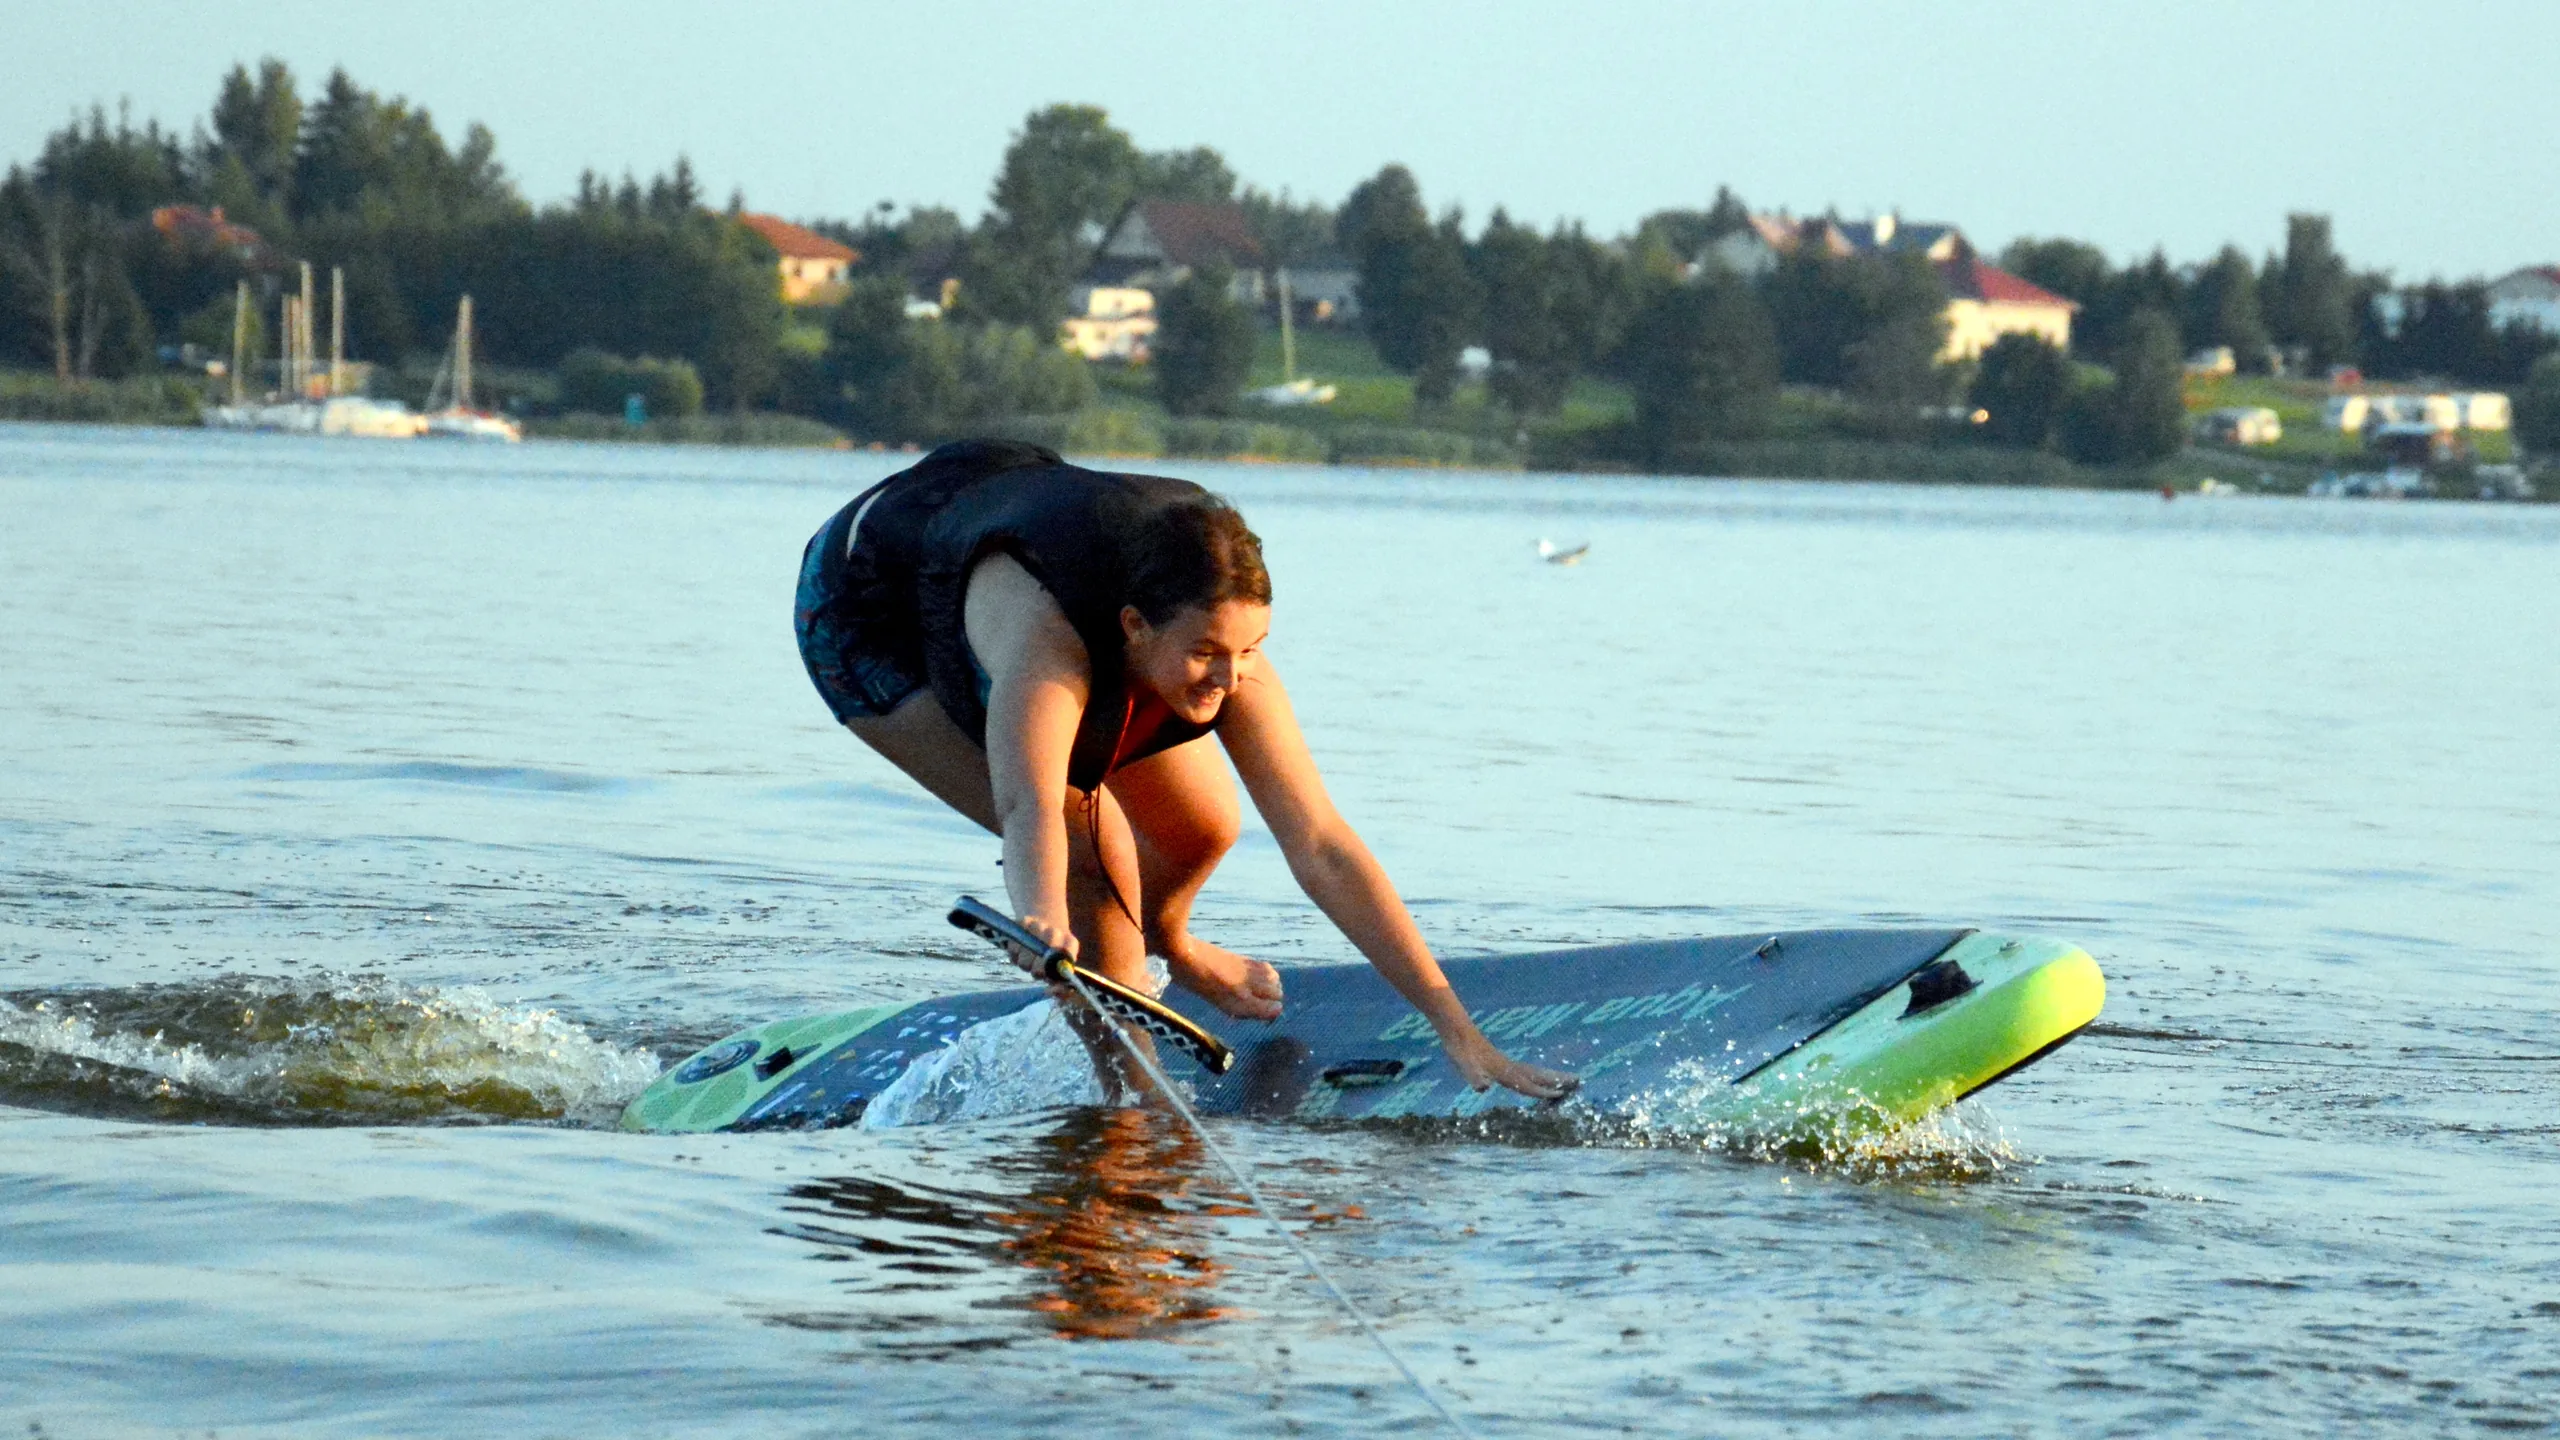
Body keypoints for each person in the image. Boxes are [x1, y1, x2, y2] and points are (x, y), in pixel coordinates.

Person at [794, 439, 1576, 1102]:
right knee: (1098, 847)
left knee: (1203, 828)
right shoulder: (1047, 650)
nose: (1230, 681)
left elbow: (1323, 845)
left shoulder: (1217, 637)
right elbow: (1029, 807)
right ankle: (1130, 1097)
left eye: (1249, 651)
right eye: (1206, 654)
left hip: (1006, 505)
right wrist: (1042, 923)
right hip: (872, 611)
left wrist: (1463, 1035)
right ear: (1134, 627)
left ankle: (1172, 944)